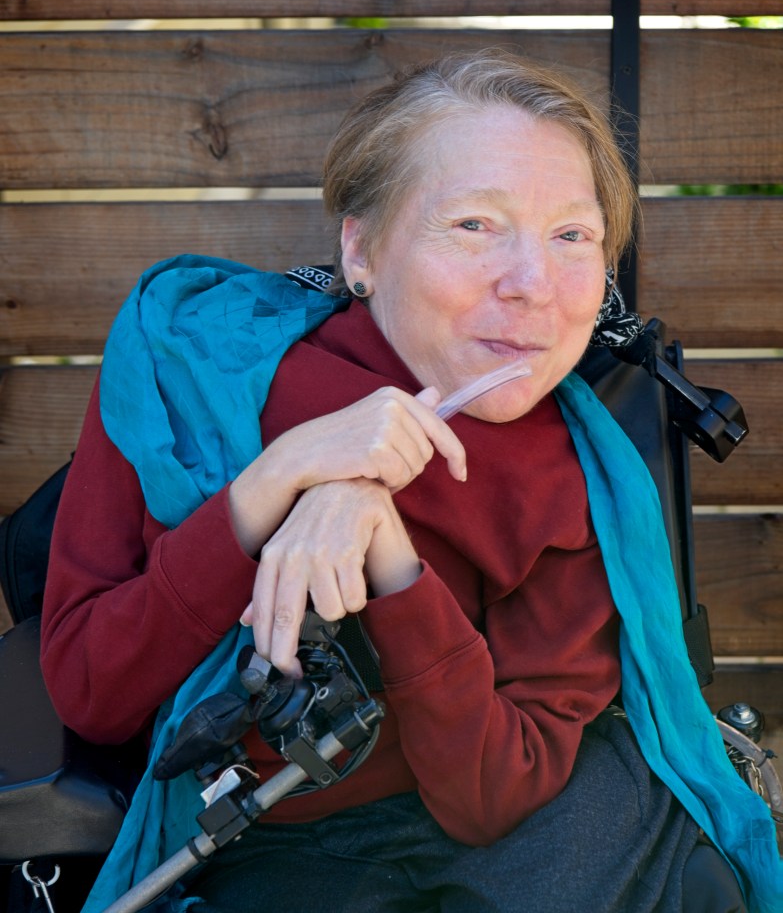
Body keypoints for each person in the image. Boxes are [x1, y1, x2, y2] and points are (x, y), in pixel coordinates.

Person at [39, 51, 779, 913]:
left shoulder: (586, 481)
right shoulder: (186, 364)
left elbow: (492, 795)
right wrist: (275, 483)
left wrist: (383, 543)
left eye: (571, 236)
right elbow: (92, 692)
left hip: (501, 843)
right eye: (473, 225)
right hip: (260, 845)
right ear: (361, 249)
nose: (532, 285)